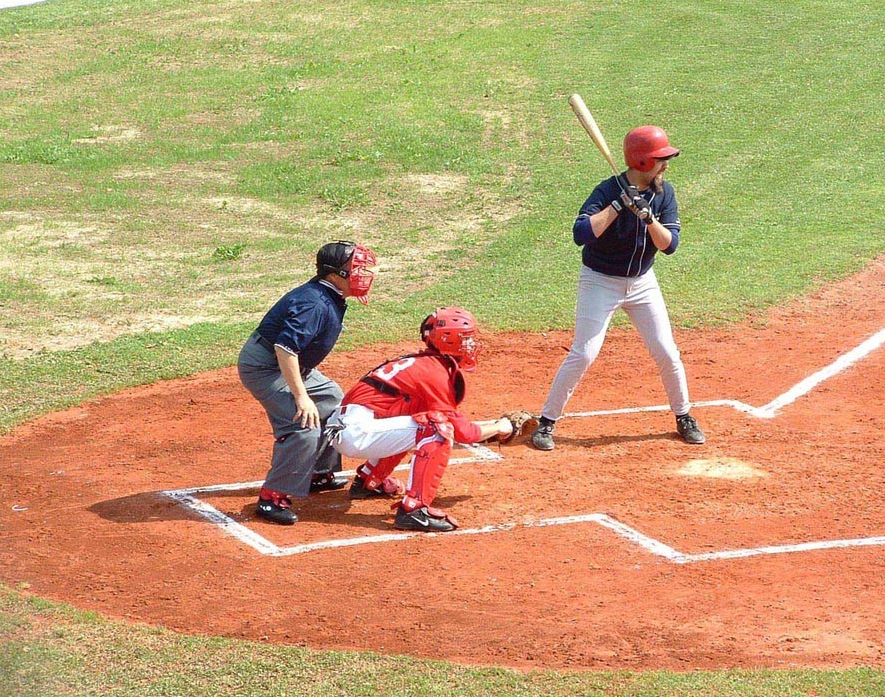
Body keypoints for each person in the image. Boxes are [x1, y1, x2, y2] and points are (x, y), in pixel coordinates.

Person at [531, 125, 706, 451]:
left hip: (642, 283)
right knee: (584, 352)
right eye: (660, 160)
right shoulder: (606, 190)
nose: (666, 165)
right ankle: (546, 423)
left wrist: (647, 217)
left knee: (667, 351)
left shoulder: (664, 194)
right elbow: (581, 234)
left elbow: (670, 246)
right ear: (641, 163)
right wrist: (616, 206)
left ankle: (684, 416)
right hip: (600, 282)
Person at [324, 307, 514, 533]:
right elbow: (463, 432)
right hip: (357, 433)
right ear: (448, 340)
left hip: (350, 426)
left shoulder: (423, 363)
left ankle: (369, 481)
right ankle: (414, 509)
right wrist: (502, 426)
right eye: (465, 338)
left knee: (414, 421)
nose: (470, 344)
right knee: (435, 429)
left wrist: (492, 426)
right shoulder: (435, 373)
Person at [238, 241, 378, 525]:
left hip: (292, 366)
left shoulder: (329, 294)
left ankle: (317, 472)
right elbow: (285, 349)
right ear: (335, 274)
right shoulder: (313, 302)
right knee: (304, 423)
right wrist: (301, 397)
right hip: (265, 367)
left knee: (331, 399)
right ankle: (272, 497)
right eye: (355, 268)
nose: (362, 274)